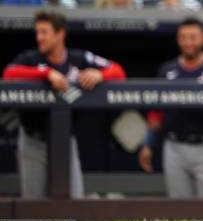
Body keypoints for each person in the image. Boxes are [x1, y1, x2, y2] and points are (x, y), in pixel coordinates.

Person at [2, 11, 125, 198]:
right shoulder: (31, 59)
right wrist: (46, 73)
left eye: (44, 32)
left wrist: (100, 75)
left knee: (73, 199)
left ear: (60, 34)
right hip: (33, 141)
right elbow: (9, 74)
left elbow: (118, 71)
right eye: (37, 33)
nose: (39, 38)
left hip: (65, 140)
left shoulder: (79, 58)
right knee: (34, 206)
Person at [138, 18, 203, 198]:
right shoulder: (167, 71)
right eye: (183, 37)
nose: (188, 42)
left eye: (193, 37)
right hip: (175, 146)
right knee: (179, 210)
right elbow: (155, 113)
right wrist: (148, 144)